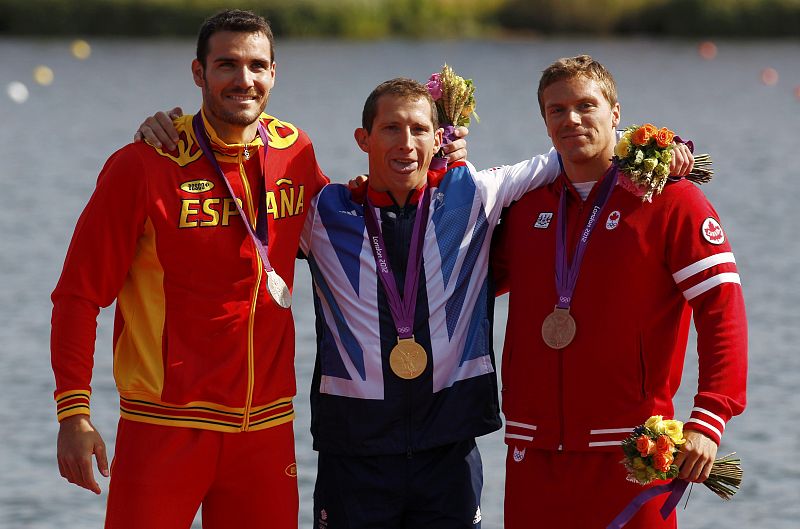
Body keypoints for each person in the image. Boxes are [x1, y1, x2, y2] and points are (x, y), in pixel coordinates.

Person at [51, 10, 329, 529]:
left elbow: (355, 232)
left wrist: (442, 164)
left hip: (265, 430)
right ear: (198, 73)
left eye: (256, 66)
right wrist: (74, 413)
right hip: (163, 427)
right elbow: (77, 296)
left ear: (274, 73)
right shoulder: (144, 163)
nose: (242, 80)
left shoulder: (296, 152)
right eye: (226, 65)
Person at [492, 55, 748, 529]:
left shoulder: (669, 198)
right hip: (533, 451)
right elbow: (455, 282)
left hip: (634, 453)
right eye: (556, 109)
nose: (571, 119)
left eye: (586, 106)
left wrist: (709, 417)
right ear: (545, 122)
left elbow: (721, 307)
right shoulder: (525, 207)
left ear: (615, 112)